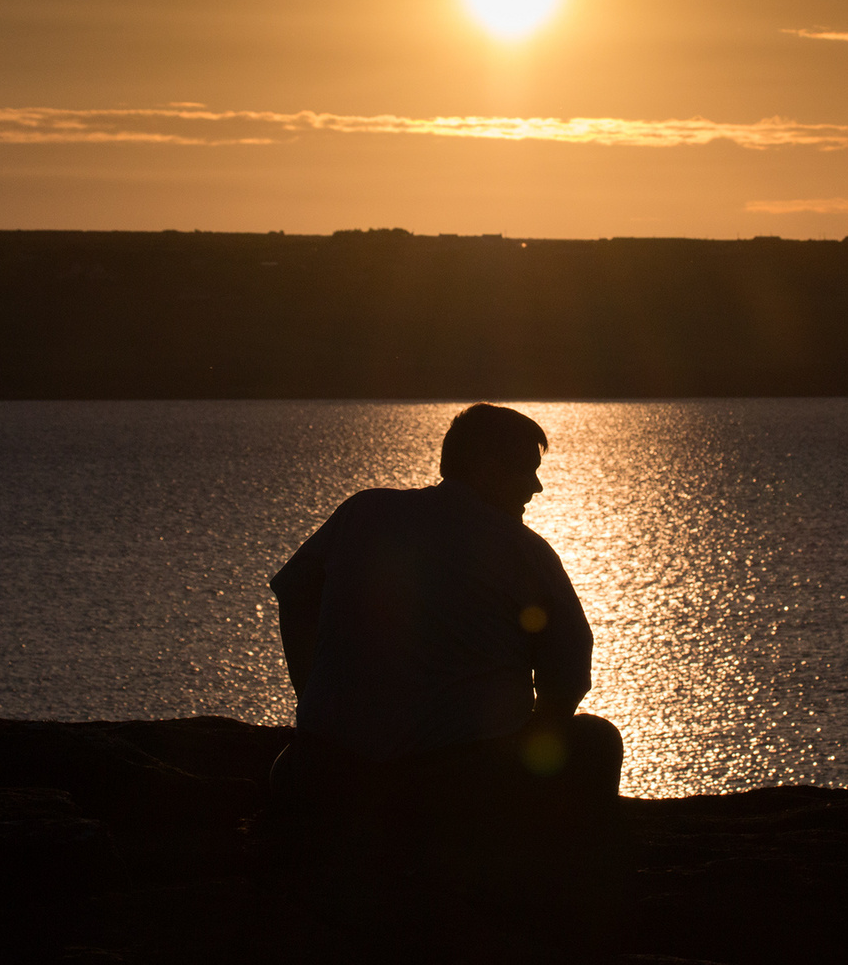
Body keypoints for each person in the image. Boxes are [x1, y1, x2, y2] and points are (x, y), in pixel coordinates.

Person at [267, 404, 624, 955]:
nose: (537, 486)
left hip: (330, 772)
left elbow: (294, 600)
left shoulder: (362, 512)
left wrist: (312, 700)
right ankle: (563, 904)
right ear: (483, 466)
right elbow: (569, 674)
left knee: (287, 769)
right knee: (598, 742)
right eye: (524, 469)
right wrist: (525, 744)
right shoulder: (524, 551)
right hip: (453, 791)